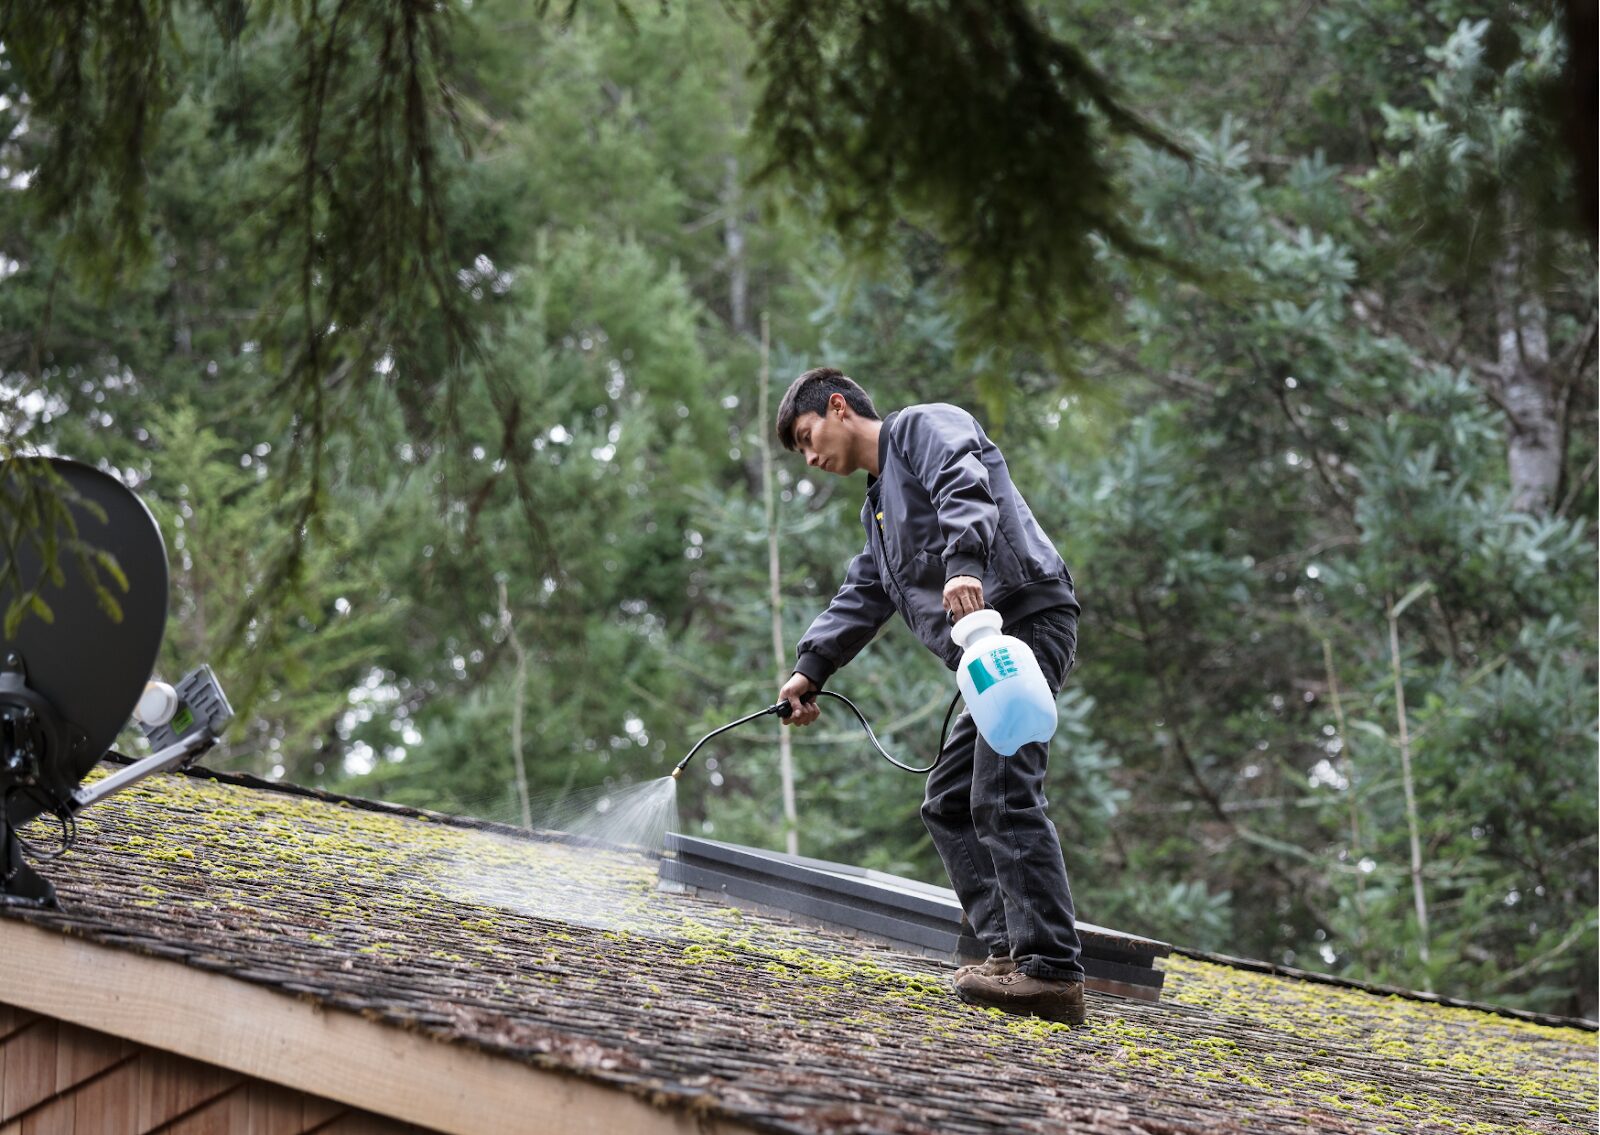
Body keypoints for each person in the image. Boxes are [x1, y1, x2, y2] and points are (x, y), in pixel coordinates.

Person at [774, 366, 1088, 1026]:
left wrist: (965, 566)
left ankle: (1052, 969)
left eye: (807, 436)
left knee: (1002, 790)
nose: (810, 457)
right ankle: (1010, 955)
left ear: (838, 406)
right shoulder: (879, 511)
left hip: (1021, 620)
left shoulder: (920, 427)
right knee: (949, 800)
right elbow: (863, 593)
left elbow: (962, 482)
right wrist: (811, 668)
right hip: (985, 659)